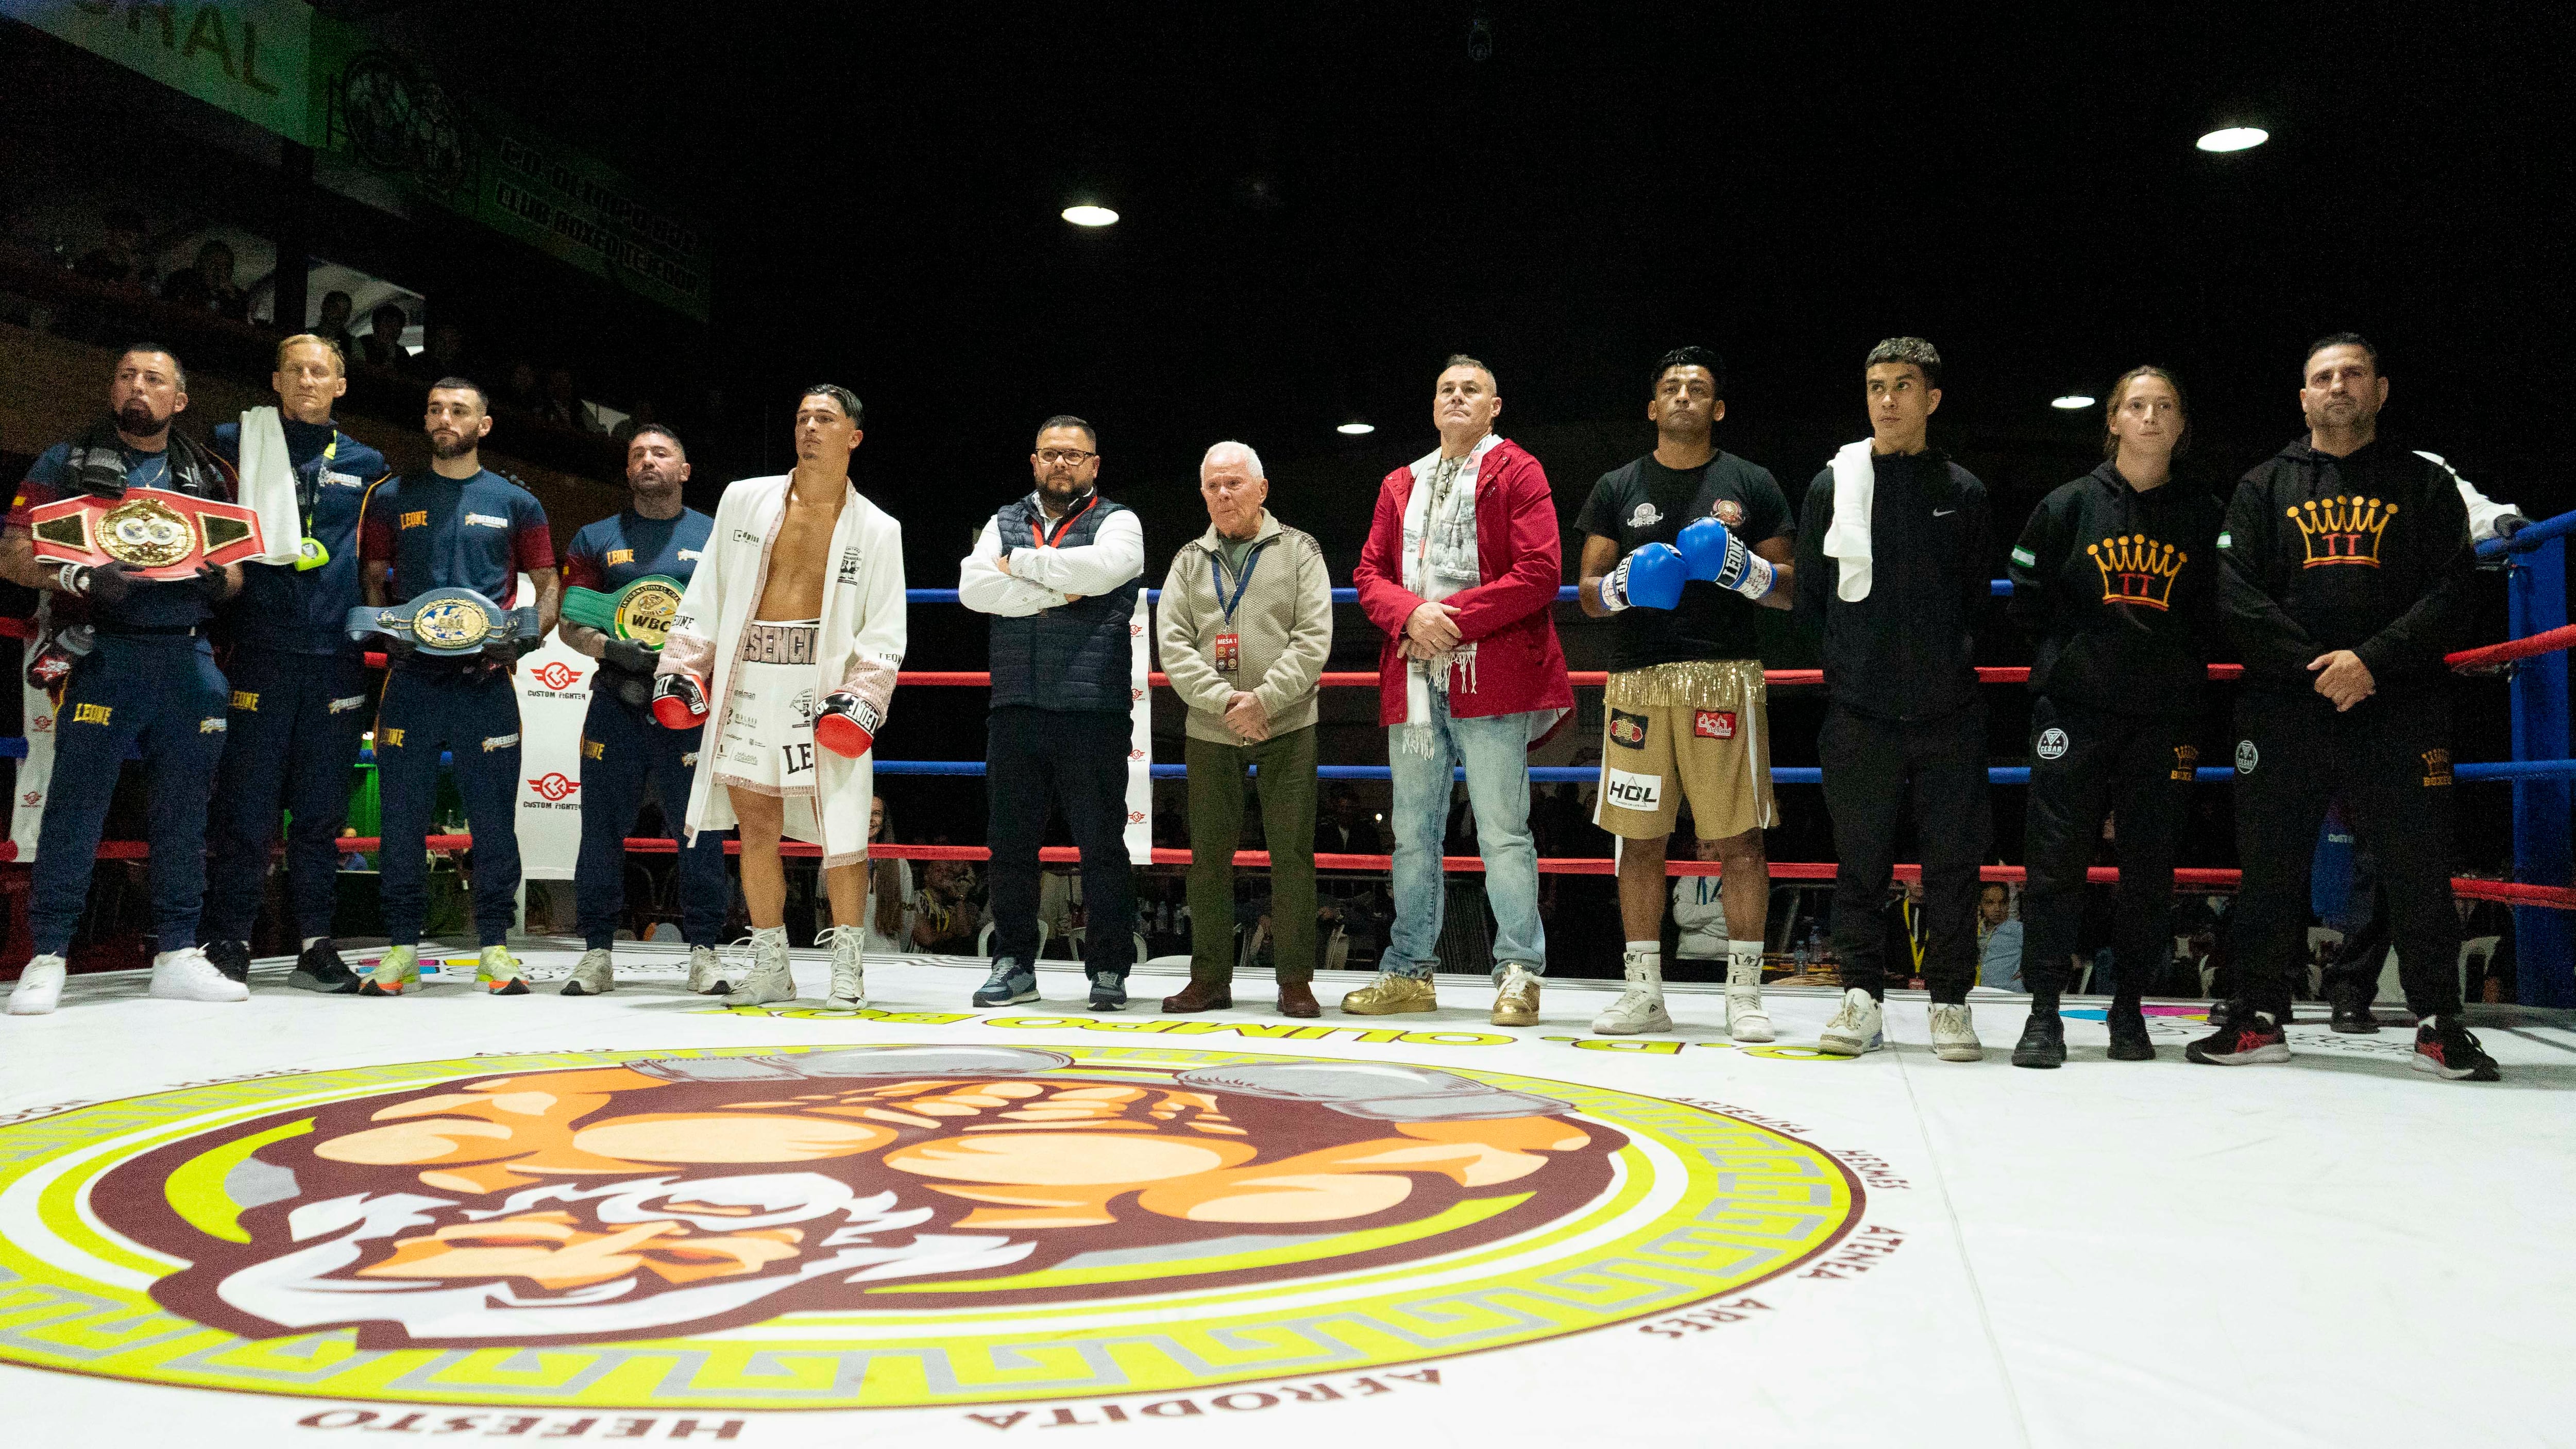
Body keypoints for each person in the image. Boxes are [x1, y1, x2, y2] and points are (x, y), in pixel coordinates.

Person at [2193, 333, 2498, 1080]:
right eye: (2323, 377)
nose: (2338, 386)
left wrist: (2371, 661)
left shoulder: (2424, 484)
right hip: (2286, 705)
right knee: (2270, 865)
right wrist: (2316, 667)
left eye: (2352, 374)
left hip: (2398, 701)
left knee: (2418, 864)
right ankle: (2260, 1014)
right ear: (2303, 397)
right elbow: (2235, 595)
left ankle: (2438, 1021)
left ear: (2380, 390)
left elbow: (2454, 591)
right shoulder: (2264, 485)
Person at [2, 345, 247, 1015]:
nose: (137, 387)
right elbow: (14, 554)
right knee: (76, 806)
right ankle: (47, 953)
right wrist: (78, 575)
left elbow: (234, 575)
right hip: (103, 652)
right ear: (113, 390)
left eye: (154, 379)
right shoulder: (67, 460)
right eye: (126, 376)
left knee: (185, 811)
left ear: (180, 399)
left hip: (187, 657)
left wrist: (211, 576)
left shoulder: (206, 472)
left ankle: (175, 951)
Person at [654, 385, 907, 1009]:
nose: (810, 428)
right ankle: (771, 962)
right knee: (756, 823)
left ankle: (848, 965)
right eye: (801, 418)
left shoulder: (878, 527)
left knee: (843, 829)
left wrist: (862, 697)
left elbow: (885, 624)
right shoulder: (744, 499)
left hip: (823, 686)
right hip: (749, 677)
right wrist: (685, 664)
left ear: (854, 437)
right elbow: (708, 588)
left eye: (825, 419)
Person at [2004, 365, 2223, 1067]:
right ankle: (2044, 1012)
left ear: (2182, 425)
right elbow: (2026, 593)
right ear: (2115, 422)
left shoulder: (2203, 513)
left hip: (2165, 714)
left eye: (2165, 406)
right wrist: (2077, 655)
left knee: (2151, 869)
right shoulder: (2068, 504)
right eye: (2138, 405)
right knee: (2054, 865)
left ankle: (2130, 1010)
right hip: (2075, 709)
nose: (2152, 416)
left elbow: (2218, 609)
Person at [1574, 346, 1793, 1038]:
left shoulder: (1751, 483)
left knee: (1740, 841)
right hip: (1639, 682)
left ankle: (1744, 994)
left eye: (1697, 388)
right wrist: (1621, 587)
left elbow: (1790, 591)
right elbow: (1586, 595)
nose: (1683, 397)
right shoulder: (1618, 485)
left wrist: (1741, 567)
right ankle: (1644, 991)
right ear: (1652, 407)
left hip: (1723, 676)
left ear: (1717, 407)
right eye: (1670, 387)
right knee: (1639, 842)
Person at [1349, 355, 1572, 1026]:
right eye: (1445, 388)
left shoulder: (1518, 470)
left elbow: (1542, 571)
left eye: (1470, 389)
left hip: (1493, 672)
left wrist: (1450, 619)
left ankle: (1519, 972)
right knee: (1413, 831)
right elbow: (1368, 573)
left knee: (1503, 829)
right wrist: (1410, 614)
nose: (1456, 397)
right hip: (1416, 676)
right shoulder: (1401, 481)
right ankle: (1410, 970)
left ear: (1494, 406)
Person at [1792, 337, 1993, 1061]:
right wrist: (1856, 673)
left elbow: (1975, 602)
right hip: (1859, 713)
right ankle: (1861, 996)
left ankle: (1948, 1000)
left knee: (1953, 866)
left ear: (1931, 399)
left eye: (1903, 386)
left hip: (1949, 713)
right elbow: (1813, 603)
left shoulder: (1964, 492)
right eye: (1876, 385)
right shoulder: (1831, 487)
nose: (1887, 399)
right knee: (1860, 862)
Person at [353, 379, 560, 995]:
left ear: (484, 425)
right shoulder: (392, 497)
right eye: (437, 410)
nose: (446, 419)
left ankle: (494, 946)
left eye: (460, 410)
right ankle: (401, 948)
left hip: (484, 682)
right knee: (400, 818)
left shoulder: (515, 501)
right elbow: (371, 577)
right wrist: (390, 631)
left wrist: (521, 639)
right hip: (412, 680)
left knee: (494, 819)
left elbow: (547, 586)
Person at [198, 334, 390, 993]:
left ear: (340, 385)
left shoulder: (369, 463)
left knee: (318, 813)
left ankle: (314, 943)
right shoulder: (231, 441)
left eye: (320, 371)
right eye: (295, 370)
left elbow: (376, 561)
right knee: (245, 811)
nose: (307, 381)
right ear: (274, 380)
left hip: (336, 658)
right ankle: (229, 939)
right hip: (258, 650)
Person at [957, 415, 1146, 1011]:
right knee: (1008, 843)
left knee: (1101, 846)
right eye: (1049, 454)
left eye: (1073, 454)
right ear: (1033, 461)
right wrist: (1061, 587)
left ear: (1094, 464)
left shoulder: (1119, 520)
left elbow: (1103, 570)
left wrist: (1021, 567)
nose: (1060, 463)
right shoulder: (1002, 519)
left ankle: (1109, 969)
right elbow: (972, 588)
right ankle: (1013, 961)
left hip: (1092, 708)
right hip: (1015, 705)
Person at [1156, 441, 1334, 1017]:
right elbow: (1174, 647)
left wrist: (1263, 699)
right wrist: (1225, 700)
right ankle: (1208, 977)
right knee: (1207, 857)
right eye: (1212, 486)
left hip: (1288, 721)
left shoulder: (1301, 550)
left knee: (1292, 855)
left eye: (1233, 483)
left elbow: (1313, 639)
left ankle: (1295, 980)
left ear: (1261, 489)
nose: (1223, 494)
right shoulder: (1187, 559)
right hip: (1211, 727)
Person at [554, 423, 727, 997]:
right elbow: (571, 621)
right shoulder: (595, 537)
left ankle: (704, 950)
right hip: (617, 699)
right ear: (627, 471)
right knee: (600, 830)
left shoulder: (718, 535)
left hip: (690, 703)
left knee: (698, 830)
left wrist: (694, 663)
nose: (647, 460)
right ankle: (596, 952)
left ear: (684, 469)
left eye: (660, 452)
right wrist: (610, 648)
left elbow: (737, 618)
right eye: (636, 454)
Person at [863, 796, 916, 958]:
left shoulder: (899, 863)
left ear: (884, 820)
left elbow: (907, 918)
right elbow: (822, 913)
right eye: (864, 812)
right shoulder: (835, 859)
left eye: (876, 813)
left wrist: (894, 950)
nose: (870, 819)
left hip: (886, 956)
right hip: (842, 954)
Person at [162, 240, 247, 322]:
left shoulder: (236, 296)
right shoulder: (181, 280)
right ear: (200, 265)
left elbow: (239, 324)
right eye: (214, 264)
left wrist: (231, 297)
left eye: (226, 267)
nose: (220, 271)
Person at [912, 858, 982, 954]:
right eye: (939, 870)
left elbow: (964, 933)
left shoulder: (949, 906)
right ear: (927, 876)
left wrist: (959, 898)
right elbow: (927, 939)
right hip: (918, 959)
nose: (944, 874)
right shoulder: (918, 898)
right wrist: (949, 935)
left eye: (948, 871)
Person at [1976, 883, 2025, 993]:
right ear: (1981, 905)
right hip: (1978, 994)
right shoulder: (1974, 931)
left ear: (2008, 903)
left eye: (2002, 903)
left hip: (2011, 994)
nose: (1997, 909)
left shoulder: (2019, 930)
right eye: (1990, 903)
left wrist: (2029, 974)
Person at [359, 303, 409, 370]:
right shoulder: (362, 344)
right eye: (388, 324)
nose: (392, 330)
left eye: (397, 326)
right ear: (375, 325)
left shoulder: (401, 353)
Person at [315, 291, 358, 359]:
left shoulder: (352, 344)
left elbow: (360, 366)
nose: (340, 314)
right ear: (324, 307)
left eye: (345, 310)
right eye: (335, 308)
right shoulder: (307, 335)